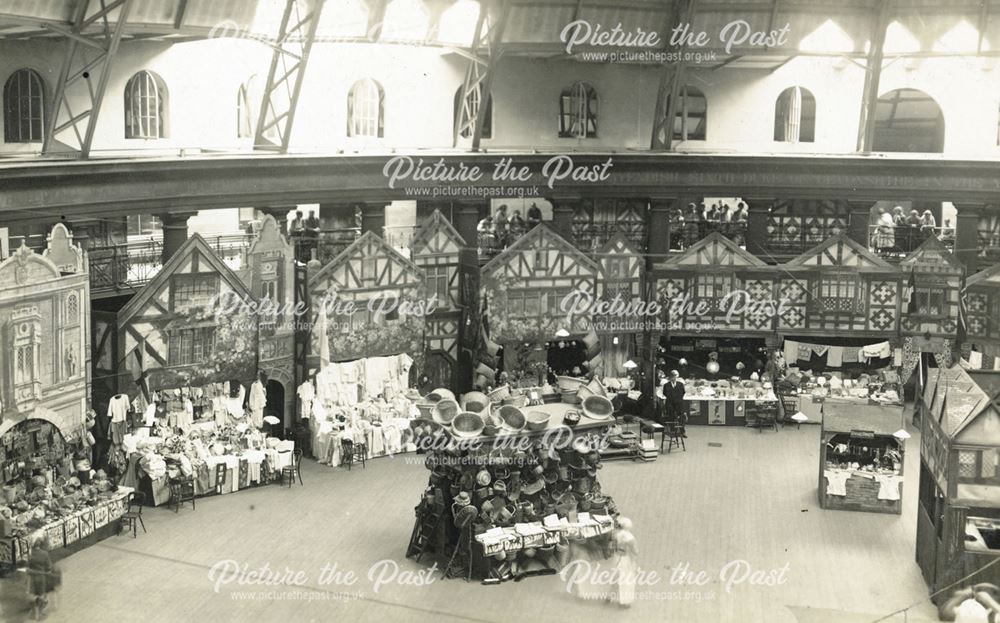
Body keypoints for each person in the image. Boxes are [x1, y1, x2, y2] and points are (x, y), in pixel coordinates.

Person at [26, 535, 61, 618]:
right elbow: (49, 567)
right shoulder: (44, 554)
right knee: (42, 594)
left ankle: (35, 611)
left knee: (34, 594)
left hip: (33, 577)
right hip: (41, 577)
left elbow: (29, 566)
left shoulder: (30, 555)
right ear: (40, 545)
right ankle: (40, 613)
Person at [610, 517, 639, 608]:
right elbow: (635, 551)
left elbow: (611, 547)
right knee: (627, 579)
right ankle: (625, 601)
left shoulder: (616, 535)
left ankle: (611, 596)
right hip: (626, 559)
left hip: (617, 557)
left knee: (615, 577)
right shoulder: (630, 537)